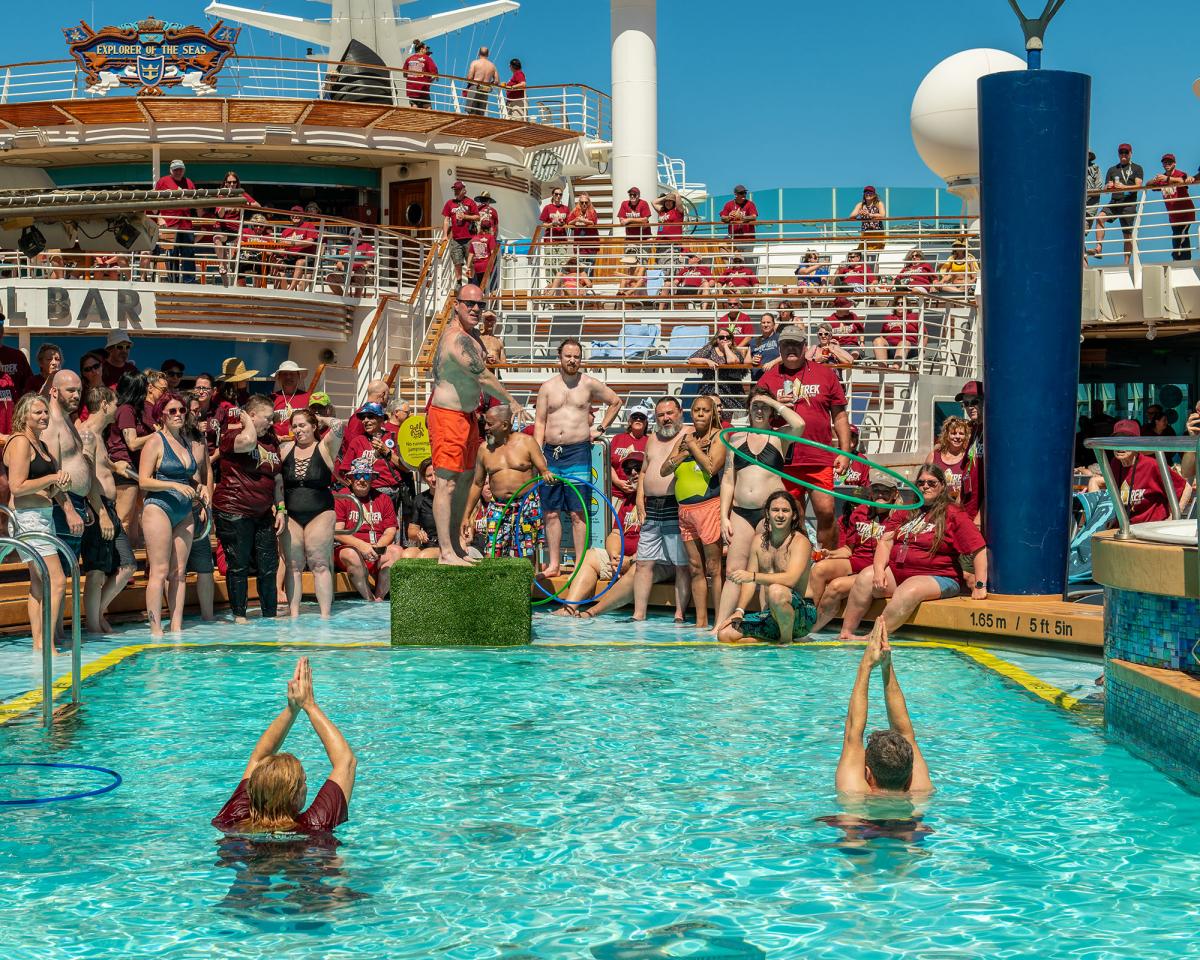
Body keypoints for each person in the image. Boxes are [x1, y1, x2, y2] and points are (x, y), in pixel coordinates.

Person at [831, 464, 988, 640]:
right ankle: (846, 634)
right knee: (865, 577)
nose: (925, 486)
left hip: (940, 577)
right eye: (921, 483)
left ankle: (873, 638)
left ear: (942, 485)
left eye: (931, 483)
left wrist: (980, 586)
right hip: (899, 574)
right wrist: (879, 570)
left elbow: (978, 548)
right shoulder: (907, 511)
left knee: (909, 589)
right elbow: (885, 542)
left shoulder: (953, 513)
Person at [427, 285, 523, 565]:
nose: (476, 309)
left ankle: (456, 545)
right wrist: (511, 401)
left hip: (468, 417)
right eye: (469, 304)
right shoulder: (457, 339)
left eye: (480, 305)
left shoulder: (473, 336)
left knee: (465, 481)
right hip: (448, 416)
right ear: (455, 305)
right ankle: (445, 552)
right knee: (446, 483)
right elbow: (483, 377)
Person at [213, 657, 356, 835]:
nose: (306, 786)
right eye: (303, 782)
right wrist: (309, 705)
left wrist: (291, 709)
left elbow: (259, 757)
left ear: (252, 790)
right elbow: (346, 761)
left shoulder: (233, 818)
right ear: (294, 797)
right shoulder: (315, 825)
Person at [714, 387, 805, 633]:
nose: (760, 410)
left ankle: (769, 624)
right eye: (755, 405)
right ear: (748, 408)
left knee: (767, 570)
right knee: (733, 570)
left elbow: (800, 424)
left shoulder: (780, 437)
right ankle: (719, 625)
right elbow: (728, 480)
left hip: (769, 513)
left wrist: (772, 402)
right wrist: (723, 517)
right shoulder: (736, 438)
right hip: (740, 512)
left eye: (764, 406)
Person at [758, 324, 851, 549]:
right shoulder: (768, 378)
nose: (791, 349)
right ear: (779, 348)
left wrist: (845, 452)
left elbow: (839, 416)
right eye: (786, 344)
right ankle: (801, 559)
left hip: (818, 456)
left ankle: (826, 558)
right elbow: (757, 418)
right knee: (794, 516)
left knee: (826, 510)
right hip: (784, 459)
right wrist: (774, 405)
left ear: (805, 347)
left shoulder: (825, 374)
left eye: (796, 344)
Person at [534, 338, 621, 577]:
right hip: (551, 454)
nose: (572, 360)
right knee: (550, 512)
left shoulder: (589, 384)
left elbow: (615, 401)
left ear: (581, 359)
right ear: (559, 358)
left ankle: (580, 564)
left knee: (577, 512)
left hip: (578, 453)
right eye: (568, 356)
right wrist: (538, 453)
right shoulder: (547, 387)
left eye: (576, 356)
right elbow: (540, 422)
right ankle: (554, 564)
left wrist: (600, 428)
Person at [834, 621, 933, 797]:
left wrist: (866, 665)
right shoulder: (921, 791)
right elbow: (905, 732)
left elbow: (852, 733)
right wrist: (887, 667)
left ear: (867, 773)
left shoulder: (854, 795)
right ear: (910, 775)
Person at [6, 393, 72, 652]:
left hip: (42, 516)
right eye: (37, 412)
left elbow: (45, 489)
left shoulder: (40, 444)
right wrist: (52, 478)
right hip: (28, 518)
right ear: (24, 416)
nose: (44, 416)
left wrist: (58, 485)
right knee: (57, 580)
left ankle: (39, 645)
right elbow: (17, 486)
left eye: (45, 412)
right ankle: (46, 645)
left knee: (38, 584)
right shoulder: (21, 442)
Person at [214, 395, 284, 625]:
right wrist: (246, 422)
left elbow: (277, 477)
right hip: (234, 510)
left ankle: (270, 614)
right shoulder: (232, 436)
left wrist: (281, 508)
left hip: (263, 514)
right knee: (239, 565)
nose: (271, 423)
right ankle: (239, 615)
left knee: (268, 566)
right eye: (267, 418)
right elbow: (248, 442)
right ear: (251, 415)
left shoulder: (271, 441)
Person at [660, 395, 726, 628]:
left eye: (705, 410)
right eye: (696, 409)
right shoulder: (685, 439)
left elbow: (711, 467)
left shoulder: (719, 437)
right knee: (696, 568)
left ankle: (719, 621)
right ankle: (700, 622)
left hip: (709, 507)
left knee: (714, 568)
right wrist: (684, 452)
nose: (699, 414)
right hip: (685, 511)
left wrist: (693, 447)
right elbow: (664, 470)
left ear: (713, 413)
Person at [716, 490, 814, 644]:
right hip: (772, 614)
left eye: (785, 510)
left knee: (776, 590)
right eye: (775, 510)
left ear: (794, 515)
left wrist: (753, 576)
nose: (780, 515)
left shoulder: (800, 542)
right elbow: (749, 583)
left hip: (802, 615)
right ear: (767, 514)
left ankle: (786, 643)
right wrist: (739, 610)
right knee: (724, 635)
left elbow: (791, 579)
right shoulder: (758, 542)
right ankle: (776, 640)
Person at [139, 393, 199, 638]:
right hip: (159, 508)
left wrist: (200, 487)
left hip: (184, 511)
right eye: (172, 411)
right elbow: (143, 481)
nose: (178, 415)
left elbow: (189, 477)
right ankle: (155, 629)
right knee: (160, 570)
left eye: (182, 410)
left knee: (180, 572)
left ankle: (176, 627)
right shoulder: (155, 441)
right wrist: (173, 485)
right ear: (161, 414)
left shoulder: (185, 441)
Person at [78, 386, 135, 634]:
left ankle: (97, 614)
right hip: (96, 507)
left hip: (108, 508)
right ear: (103, 404)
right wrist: (101, 513)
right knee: (96, 571)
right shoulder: (86, 434)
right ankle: (93, 626)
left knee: (127, 565)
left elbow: (98, 464)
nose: (117, 408)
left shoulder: (98, 435)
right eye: (115, 403)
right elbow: (86, 476)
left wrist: (113, 466)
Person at [809, 471, 898, 628]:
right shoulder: (860, 512)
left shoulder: (900, 516)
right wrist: (830, 553)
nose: (880, 494)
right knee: (819, 569)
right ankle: (810, 617)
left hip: (877, 568)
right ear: (871, 492)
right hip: (856, 561)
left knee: (836, 586)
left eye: (886, 491)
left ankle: (814, 627)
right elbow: (848, 550)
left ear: (895, 494)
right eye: (876, 490)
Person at [631, 397, 692, 621]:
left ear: (680, 412)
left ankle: (679, 614)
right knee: (643, 562)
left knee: (681, 564)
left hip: (675, 505)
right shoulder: (652, 439)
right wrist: (639, 500)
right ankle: (638, 614)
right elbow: (644, 472)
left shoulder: (689, 434)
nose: (665, 418)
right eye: (660, 415)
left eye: (669, 413)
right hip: (652, 507)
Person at [280, 410, 344, 619]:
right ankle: (294, 615)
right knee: (293, 565)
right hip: (291, 514)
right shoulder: (285, 449)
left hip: (320, 512)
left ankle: (325, 616)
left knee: (319, 563)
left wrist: (321, 418)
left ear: (314, 426)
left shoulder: (325, 447)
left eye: (302, 425)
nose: (298, 430)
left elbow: (339, 426)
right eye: (294, 426)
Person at [466, 405, 552, 561]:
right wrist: (466, 516)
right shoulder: (484, 449)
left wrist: (546, 474)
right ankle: (495, 578)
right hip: (498, 505)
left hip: (526, 504)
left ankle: (528, 578)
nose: (485, 428)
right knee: (492, 552)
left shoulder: (527, 442)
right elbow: (477, 484)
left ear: (505, 425)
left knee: (526, 554)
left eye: (490, 424)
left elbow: (543, 469)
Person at [1087, 419, 1189, 522]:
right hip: (1124, 526)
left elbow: (1186, 487)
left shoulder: (1151, 465)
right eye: (1116, 440)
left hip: (1149, 527)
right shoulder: (1115, 463)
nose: (1120, 446)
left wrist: (1173, 519)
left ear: (1137, 444)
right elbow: (1106, 484)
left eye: (1126, 440)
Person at [335, 460, 403, 600]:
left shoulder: (383, 498)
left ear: (372, 478)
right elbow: (337, 532)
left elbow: (390, 530)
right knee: (352, 554)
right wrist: (362, 546)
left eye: (366, 476)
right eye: (357, 475)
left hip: (376, 549)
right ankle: (368, 599)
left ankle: (379, 599)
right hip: (350, 549)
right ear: (350, 478)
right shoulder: (342, 497)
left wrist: (377, 548)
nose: (361, 480)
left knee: (397, 551)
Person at [181, 391, 217, 622]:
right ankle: (176, 619)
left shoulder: (199, 438)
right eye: (193, 411)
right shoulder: (170, 438)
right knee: (178, 568)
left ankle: (208, 618)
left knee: (205, 567)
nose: (197, 414)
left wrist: (207, 501)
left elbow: (207, 471)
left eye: (198, 410)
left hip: (198, 507)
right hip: (177, 509)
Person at [109, 370, 155, 546]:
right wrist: (159, 435)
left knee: (136, 518)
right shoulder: (126, 410)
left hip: (134, 467)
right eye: (145, 386)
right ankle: (119, 558)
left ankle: (131, 556)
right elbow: (133, 443)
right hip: (124, 467)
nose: (148, 390)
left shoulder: (135, 410)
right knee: (124, 519)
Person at [155, 159, 198, 283]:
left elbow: (195, 201)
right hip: (169, 224)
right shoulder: (162, 181)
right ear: (171, 170)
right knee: (171, 253)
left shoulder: (189, 182)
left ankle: (189, 282)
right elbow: (155, 201)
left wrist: (185, 196)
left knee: (188, 253)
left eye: (180, 169)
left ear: (184, 170)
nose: (178, 172)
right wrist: (159, 218)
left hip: (186, 224)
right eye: (176, 170)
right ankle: (172, 281)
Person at [1103, 143, 1144, 265]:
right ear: (1118, 154)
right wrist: (1108, 186)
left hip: (1128, 204)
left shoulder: (1137, 168)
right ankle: (1098, 247)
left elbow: (1139, 186)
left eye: (1126, 152)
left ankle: (1126, 263)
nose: (1123, 154)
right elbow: (1105, 190)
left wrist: (1124, 187)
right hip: (1115, 202)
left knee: (1127, 235)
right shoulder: (1112, 169)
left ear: (1131, 153)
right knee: (1100, 218)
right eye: (1121, 152)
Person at [688, 328, 748, 411]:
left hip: (730, 387)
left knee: (732, 411)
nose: (725, 339)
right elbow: (691, 359)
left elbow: (732, 361)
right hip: (710, 386)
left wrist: (726, 347)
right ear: (717, 339)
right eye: (721, 337)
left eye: (728, 337)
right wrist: (707, 361)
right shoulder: (710, 348)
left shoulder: (734, 351)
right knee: (709, 408)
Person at [1149, 153, 1194, 262]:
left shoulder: (1179, 174)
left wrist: (1167, 178)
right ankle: (1179, 259)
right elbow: (1148, 185)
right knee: (1178, 235)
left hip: (1185, 213)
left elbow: (1183, 180)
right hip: (1174, 216)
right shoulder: (1162, 178)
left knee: (1181, 234)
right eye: (1165, 162)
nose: (1167, 164)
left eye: (1170, 162)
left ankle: (1181, 260)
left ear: (1174, 163)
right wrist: (1154, 180)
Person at [924, 416, 972, 507]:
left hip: (961, 508)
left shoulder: (969, 457)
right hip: (937, 507)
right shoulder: (934, 456)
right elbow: (923, 482)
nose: (957, 437)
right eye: (953, 433)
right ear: (947, 435)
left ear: (965, 436)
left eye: (961, 433)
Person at [957, 380, 984, 524]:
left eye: (975, 402)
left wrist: (980, 517)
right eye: (966, 403)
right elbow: (966, 472)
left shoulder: (991, 430)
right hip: (967, 510)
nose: (970, 407)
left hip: (980, 516)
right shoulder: (974, 429)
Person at [441, 181, 479, 283]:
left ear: (464, 190)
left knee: (471, 262)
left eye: (458, 190)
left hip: (469, 238)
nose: (456, 192)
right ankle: (459, 283)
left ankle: (471, 282)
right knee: (457, 262)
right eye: (455, 190)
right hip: (456, 238)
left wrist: (465, 216)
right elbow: (446, 220)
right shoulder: (450, 203)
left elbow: (477, 217)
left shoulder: (470, 202)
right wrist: (445, 235)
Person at [610, 409, 649, 506]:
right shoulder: (617, 438)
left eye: (642, 417)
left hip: (642, 497)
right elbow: (607, 464)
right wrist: (618, 482)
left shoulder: (650, 441)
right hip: (616, 495)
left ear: (646, 422)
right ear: (629, 421)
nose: (638, 419)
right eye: (635, 417)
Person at [403, 458, 440, 558]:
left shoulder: (453, 497)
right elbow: (411, 531)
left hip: (447, 547)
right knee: (407, 555)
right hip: (429, 544)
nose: (434, 479)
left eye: (436, 474)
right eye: (429, 476)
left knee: (423, 556)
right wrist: (419, 533)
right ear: (424, 479)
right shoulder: (419, 499)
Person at [538, 187, 571, 288]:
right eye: (556, 194)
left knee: (562, 262)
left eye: (560, 194)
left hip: (562, 239)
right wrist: (552, 224)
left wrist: (563, 224)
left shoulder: (565, 208)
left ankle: (560, 285)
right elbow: (543, 224)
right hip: (550, 239)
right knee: (550, 262)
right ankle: (550, 285)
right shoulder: (547, 208)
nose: (558, 196)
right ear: (552, 195)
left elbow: (569, 224)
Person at [849, 186, 887, 269]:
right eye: (866, 192)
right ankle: (863, 273)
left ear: (874, 194)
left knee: (874, 257)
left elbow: (882, 215)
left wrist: (869, 214)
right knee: (863, 255)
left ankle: (873, 275)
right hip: (865, 234)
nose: (868, 194)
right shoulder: (861, 205)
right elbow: (851, 216)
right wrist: (860, 213)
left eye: (870, 192)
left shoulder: (878, 203)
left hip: (876, 233)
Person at [271, 360, 310, 440]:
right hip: (276, 442)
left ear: (298, 376)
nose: (288, 377)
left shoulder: (308, 397)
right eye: (285, 374)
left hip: (302, 442)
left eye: (292, 374)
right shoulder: (271, 398)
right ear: (279, 377)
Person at [741, 313, 780, 380]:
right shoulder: (753, 341)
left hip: (774, 378)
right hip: (757, 379)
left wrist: (772, 363)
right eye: (763, 323)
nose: (766, 325)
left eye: (768, 322)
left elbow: (784, 357)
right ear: (760, 325)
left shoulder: (779, 338)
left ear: (773, 324)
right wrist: (752, 360)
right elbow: (746, 361)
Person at [568, 193, 600, 275]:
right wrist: (576, 220)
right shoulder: (575, 212)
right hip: (580, 246)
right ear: (579, 203)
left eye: (586, 202)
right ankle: (582, 283)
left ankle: (589, 282)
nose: (584, 204)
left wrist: (583, 220)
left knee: (590, 267)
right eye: (582, 202)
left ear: (589, 202)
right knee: (580, 267)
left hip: (591, 245)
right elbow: (568, 223)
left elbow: (593, 222)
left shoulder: (592, 212)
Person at [720, 185, 758, 253]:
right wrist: (729, 217)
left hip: (748, 238)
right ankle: (731, 259)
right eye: (741, 193)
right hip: (733, 238)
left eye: (745, 193)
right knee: (721, 247)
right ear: (735, 194)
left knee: (745, 258)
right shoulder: (729, 204)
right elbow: (722, 218)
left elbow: (754, 216)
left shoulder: (750, 204)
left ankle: (738, 257)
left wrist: (741, 217)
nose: (744, 195)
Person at [617, 186, 652, 257]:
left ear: (638, 195)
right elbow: (622, 221)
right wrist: (639, 221)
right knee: (630, 261)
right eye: (630, 195)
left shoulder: (643, 203)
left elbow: (645, 220)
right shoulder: (624, 204)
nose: (632, 196)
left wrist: (629, 220)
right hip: (630, 239)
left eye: (634, 194)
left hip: (644, 239)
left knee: (642, 262)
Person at [464, 46, 499, 116]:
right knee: (480, 114)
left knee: (471, 112)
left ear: (478, 53)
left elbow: (470, 77)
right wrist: (489, 84)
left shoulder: (475, 63)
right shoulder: (492, 66)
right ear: (488, 54)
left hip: (475, 87)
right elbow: (496, 81)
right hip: (485, 89)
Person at [403, 41, 437, 109]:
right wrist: (430, 81)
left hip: (411, 89)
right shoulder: (426, 58)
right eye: (425, 48)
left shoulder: (409, 59)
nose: (426, 50)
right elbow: (434, 73)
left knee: (414, 107)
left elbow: (405, 74)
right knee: (427, 108)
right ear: (421, 49)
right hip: (422, 88)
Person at [466, 219, 498, 290]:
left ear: (480, 227)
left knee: (480, 288)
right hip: (487, 266)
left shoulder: (475, 238)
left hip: (477, 267)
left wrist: (468, 267)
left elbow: (471, 254)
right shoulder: (490, 237)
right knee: (490, 288)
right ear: (490, 228)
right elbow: (493, 253)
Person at [1085, 150, 1105, 257]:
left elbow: (1099, 188)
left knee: (1080, 234)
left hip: (1089, 208)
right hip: (1074, 206)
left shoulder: (1095, 168)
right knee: (1075, 235)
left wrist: (1085, 194)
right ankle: (1083, 260)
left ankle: (1083, 259)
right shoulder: (1073, 167)